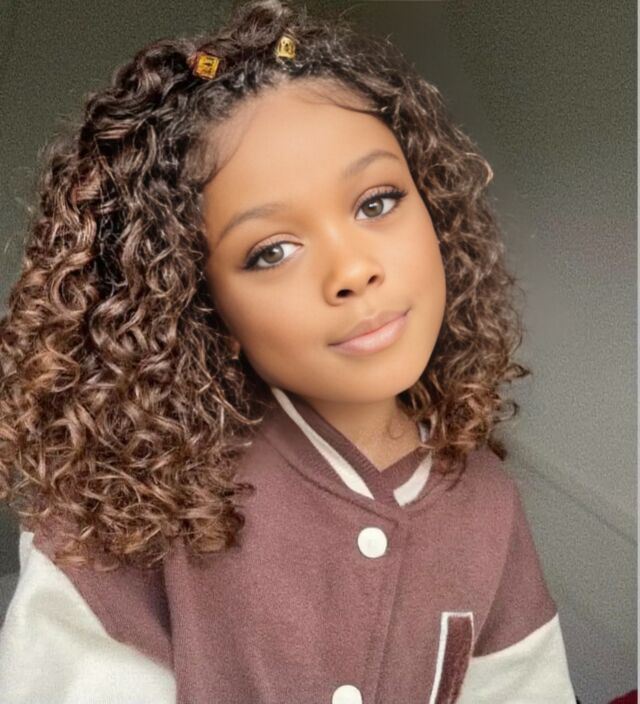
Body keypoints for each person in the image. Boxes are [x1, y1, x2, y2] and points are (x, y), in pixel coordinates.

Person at [0, 1, 576, 702]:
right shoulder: (128, 508)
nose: (352, 270)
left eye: (376, 202)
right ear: (203, 305)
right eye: (271, 251)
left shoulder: (489, 505)